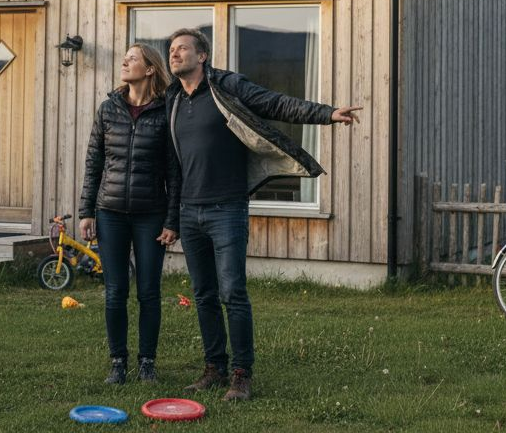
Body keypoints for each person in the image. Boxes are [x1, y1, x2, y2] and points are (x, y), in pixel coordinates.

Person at [165, 28, 360, 402]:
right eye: (171, 49)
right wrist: (172, 218)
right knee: (203, 294)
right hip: (190, 211)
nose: (175, 54)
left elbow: (274, 103)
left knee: (232, 292)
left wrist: (327, 113)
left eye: (183, 49)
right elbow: (172, 167)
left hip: (227, 208)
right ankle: (213, 368)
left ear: (201, 56)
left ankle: (241, 375)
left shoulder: (226, 86)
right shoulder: (172, 99)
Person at [79, 43, 181, 384]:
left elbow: (174, 172)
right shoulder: (108, 109)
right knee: (115, 290)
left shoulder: (166, 111)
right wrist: (86, 211)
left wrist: (172, 220)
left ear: (150, 69)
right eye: (124, 57)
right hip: (109, 212)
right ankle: (118, 363)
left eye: (132, 58)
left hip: (151, 214)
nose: (124, 62)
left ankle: (147, 362)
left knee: (149, 291)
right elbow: (94, 163)